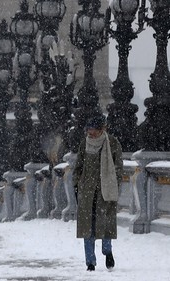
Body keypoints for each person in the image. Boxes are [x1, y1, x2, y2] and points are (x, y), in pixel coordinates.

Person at [73, 114, 123, 271]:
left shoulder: (113, 143)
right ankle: (90, 262)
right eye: (88, 130)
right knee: (87, 227)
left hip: (105, 190)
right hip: (87, 191)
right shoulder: (84, 144)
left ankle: (107, 252)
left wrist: (114, 184)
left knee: (106, 223)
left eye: (93, 130)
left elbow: (118, 167)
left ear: (102, 129)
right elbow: (78, 166)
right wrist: (77, 184)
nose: (90, 133)